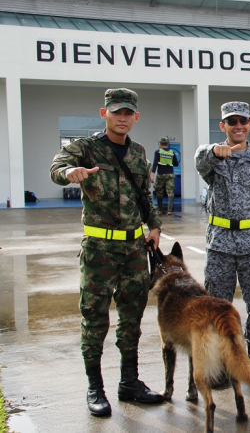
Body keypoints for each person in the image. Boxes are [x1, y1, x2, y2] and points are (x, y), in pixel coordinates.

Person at [49, 88, 164, 416]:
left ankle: (129, 383)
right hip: (99, 251)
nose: (122, 118)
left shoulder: (139, 153)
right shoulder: (85, 148)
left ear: (135, 117)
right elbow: (58, 167)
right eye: (117, 112)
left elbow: (145, 195)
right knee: (95, 319)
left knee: (132, 319)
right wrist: (69, 174)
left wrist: (154, 226)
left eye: (128, 113)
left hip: (133, 250)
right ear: (105, 114)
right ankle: (95, 388)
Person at [195, 101, 250, 385]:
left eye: (243, 120)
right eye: (231, 122)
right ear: (223, 127)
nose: (238, 126)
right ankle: (219, 362)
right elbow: (200, 162)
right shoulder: (212, 157)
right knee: (217, 305)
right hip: (220, 245)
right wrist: (213, 152)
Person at [150, 136, 180, 215]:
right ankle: (169, 210)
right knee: (170, 192)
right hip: (170, 174)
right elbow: (176, 164)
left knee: (159, 191)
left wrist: (152, 174)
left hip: (160, 174)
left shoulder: (158, 152)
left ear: (160, 144)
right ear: (167, 144)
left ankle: (160, 209)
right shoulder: (172, 153)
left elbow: (155, 163)